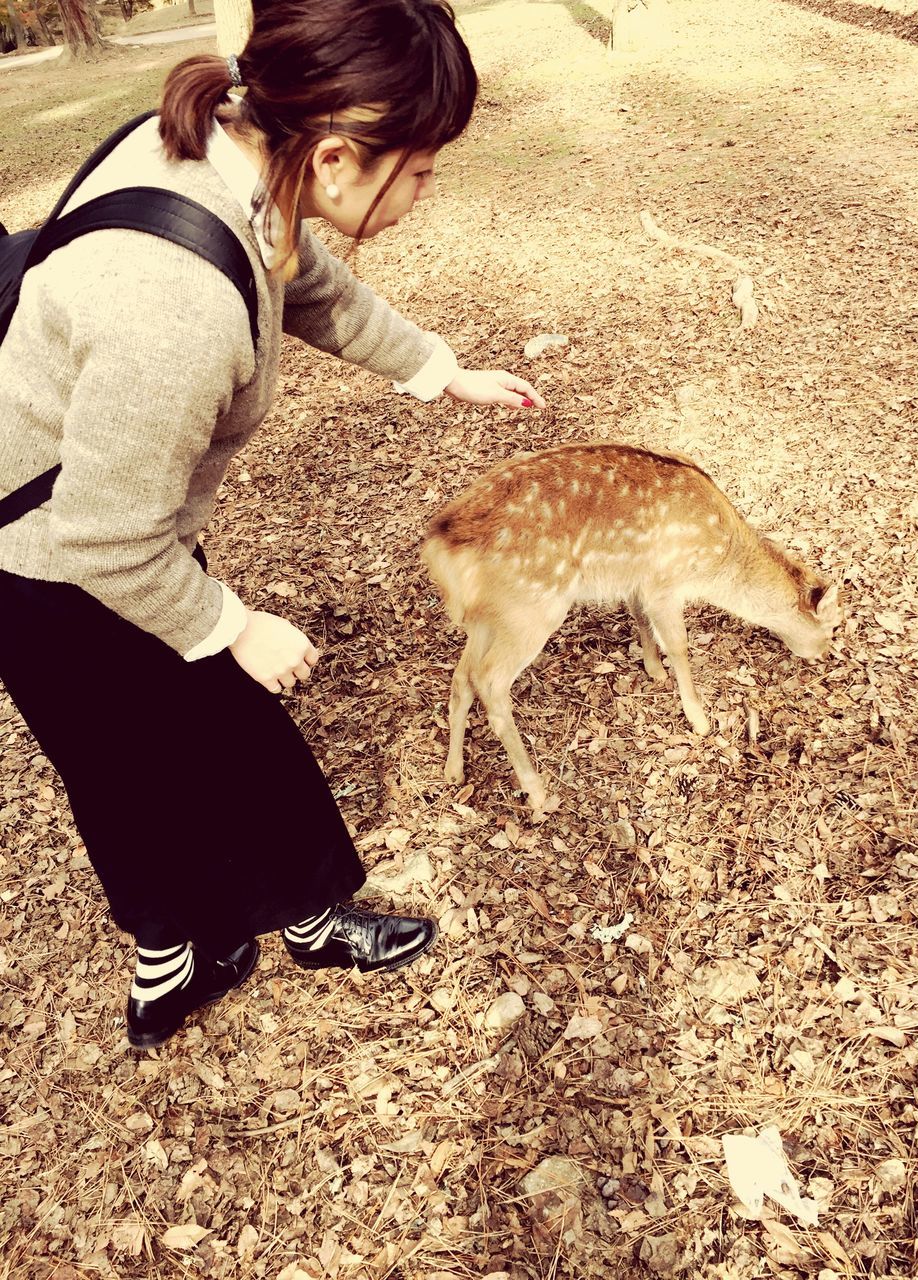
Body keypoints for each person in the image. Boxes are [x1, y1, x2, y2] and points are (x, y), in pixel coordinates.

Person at [0, 0, 544, 1050]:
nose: (427, 193)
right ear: (338, 156)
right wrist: (229, 623)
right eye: (423, 169)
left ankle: (304, 913)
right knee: (118, 763)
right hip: (43, 556)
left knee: (228, 731)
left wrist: (437, 371)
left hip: (113, 513)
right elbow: (106, 536)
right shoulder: (174, 309)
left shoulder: (237, 154)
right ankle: (171, 955)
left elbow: (299, 275)